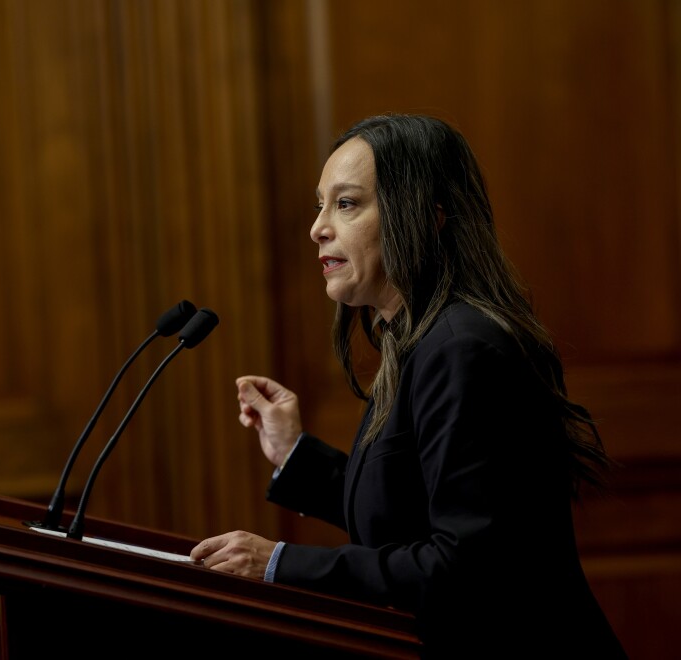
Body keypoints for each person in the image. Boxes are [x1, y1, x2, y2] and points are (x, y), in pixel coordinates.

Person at [190, 114, 628, 658]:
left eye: (345, 204)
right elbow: (406, 513)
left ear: (428, 216)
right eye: (319, 205)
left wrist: (279, 562)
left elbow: (464, 565)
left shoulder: (461, 348)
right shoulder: (421, 340)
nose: (318, 227)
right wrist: (294, 453)